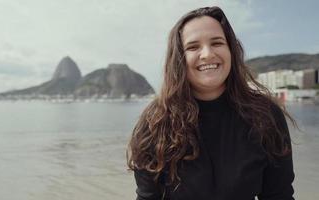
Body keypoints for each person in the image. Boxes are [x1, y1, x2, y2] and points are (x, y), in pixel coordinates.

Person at [127, 6, 296, 200]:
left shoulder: (266, 116)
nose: (207, 54)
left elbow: (279, 195)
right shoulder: (154, 124)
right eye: (193, 47)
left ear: (231, 50)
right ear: (178, 59)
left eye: (217, 43)